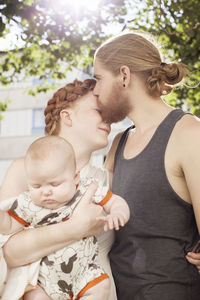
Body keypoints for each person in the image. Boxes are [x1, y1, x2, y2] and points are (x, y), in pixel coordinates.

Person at [92, 31, 200, 300]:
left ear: (124, 76)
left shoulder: (189, 134)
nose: (95, 90)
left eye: (98, 79)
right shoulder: (118, 142)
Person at [0, 79, 120, 300]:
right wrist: (75, 228)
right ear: (67, 116)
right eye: (98, 110)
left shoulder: (108, 180)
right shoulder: (24, 170)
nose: (109, 119)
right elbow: (8, 253)